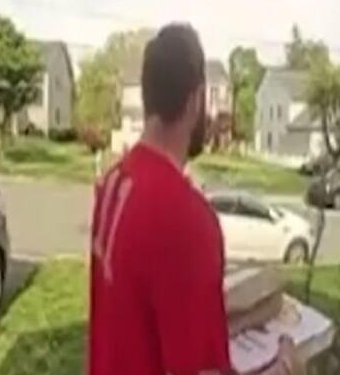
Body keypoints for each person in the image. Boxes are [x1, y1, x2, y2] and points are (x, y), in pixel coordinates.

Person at [88, 23, 299, 375]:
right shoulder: (186, 216)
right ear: (196, 100)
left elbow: (140, 311)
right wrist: (286, 368)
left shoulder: (113, 181)